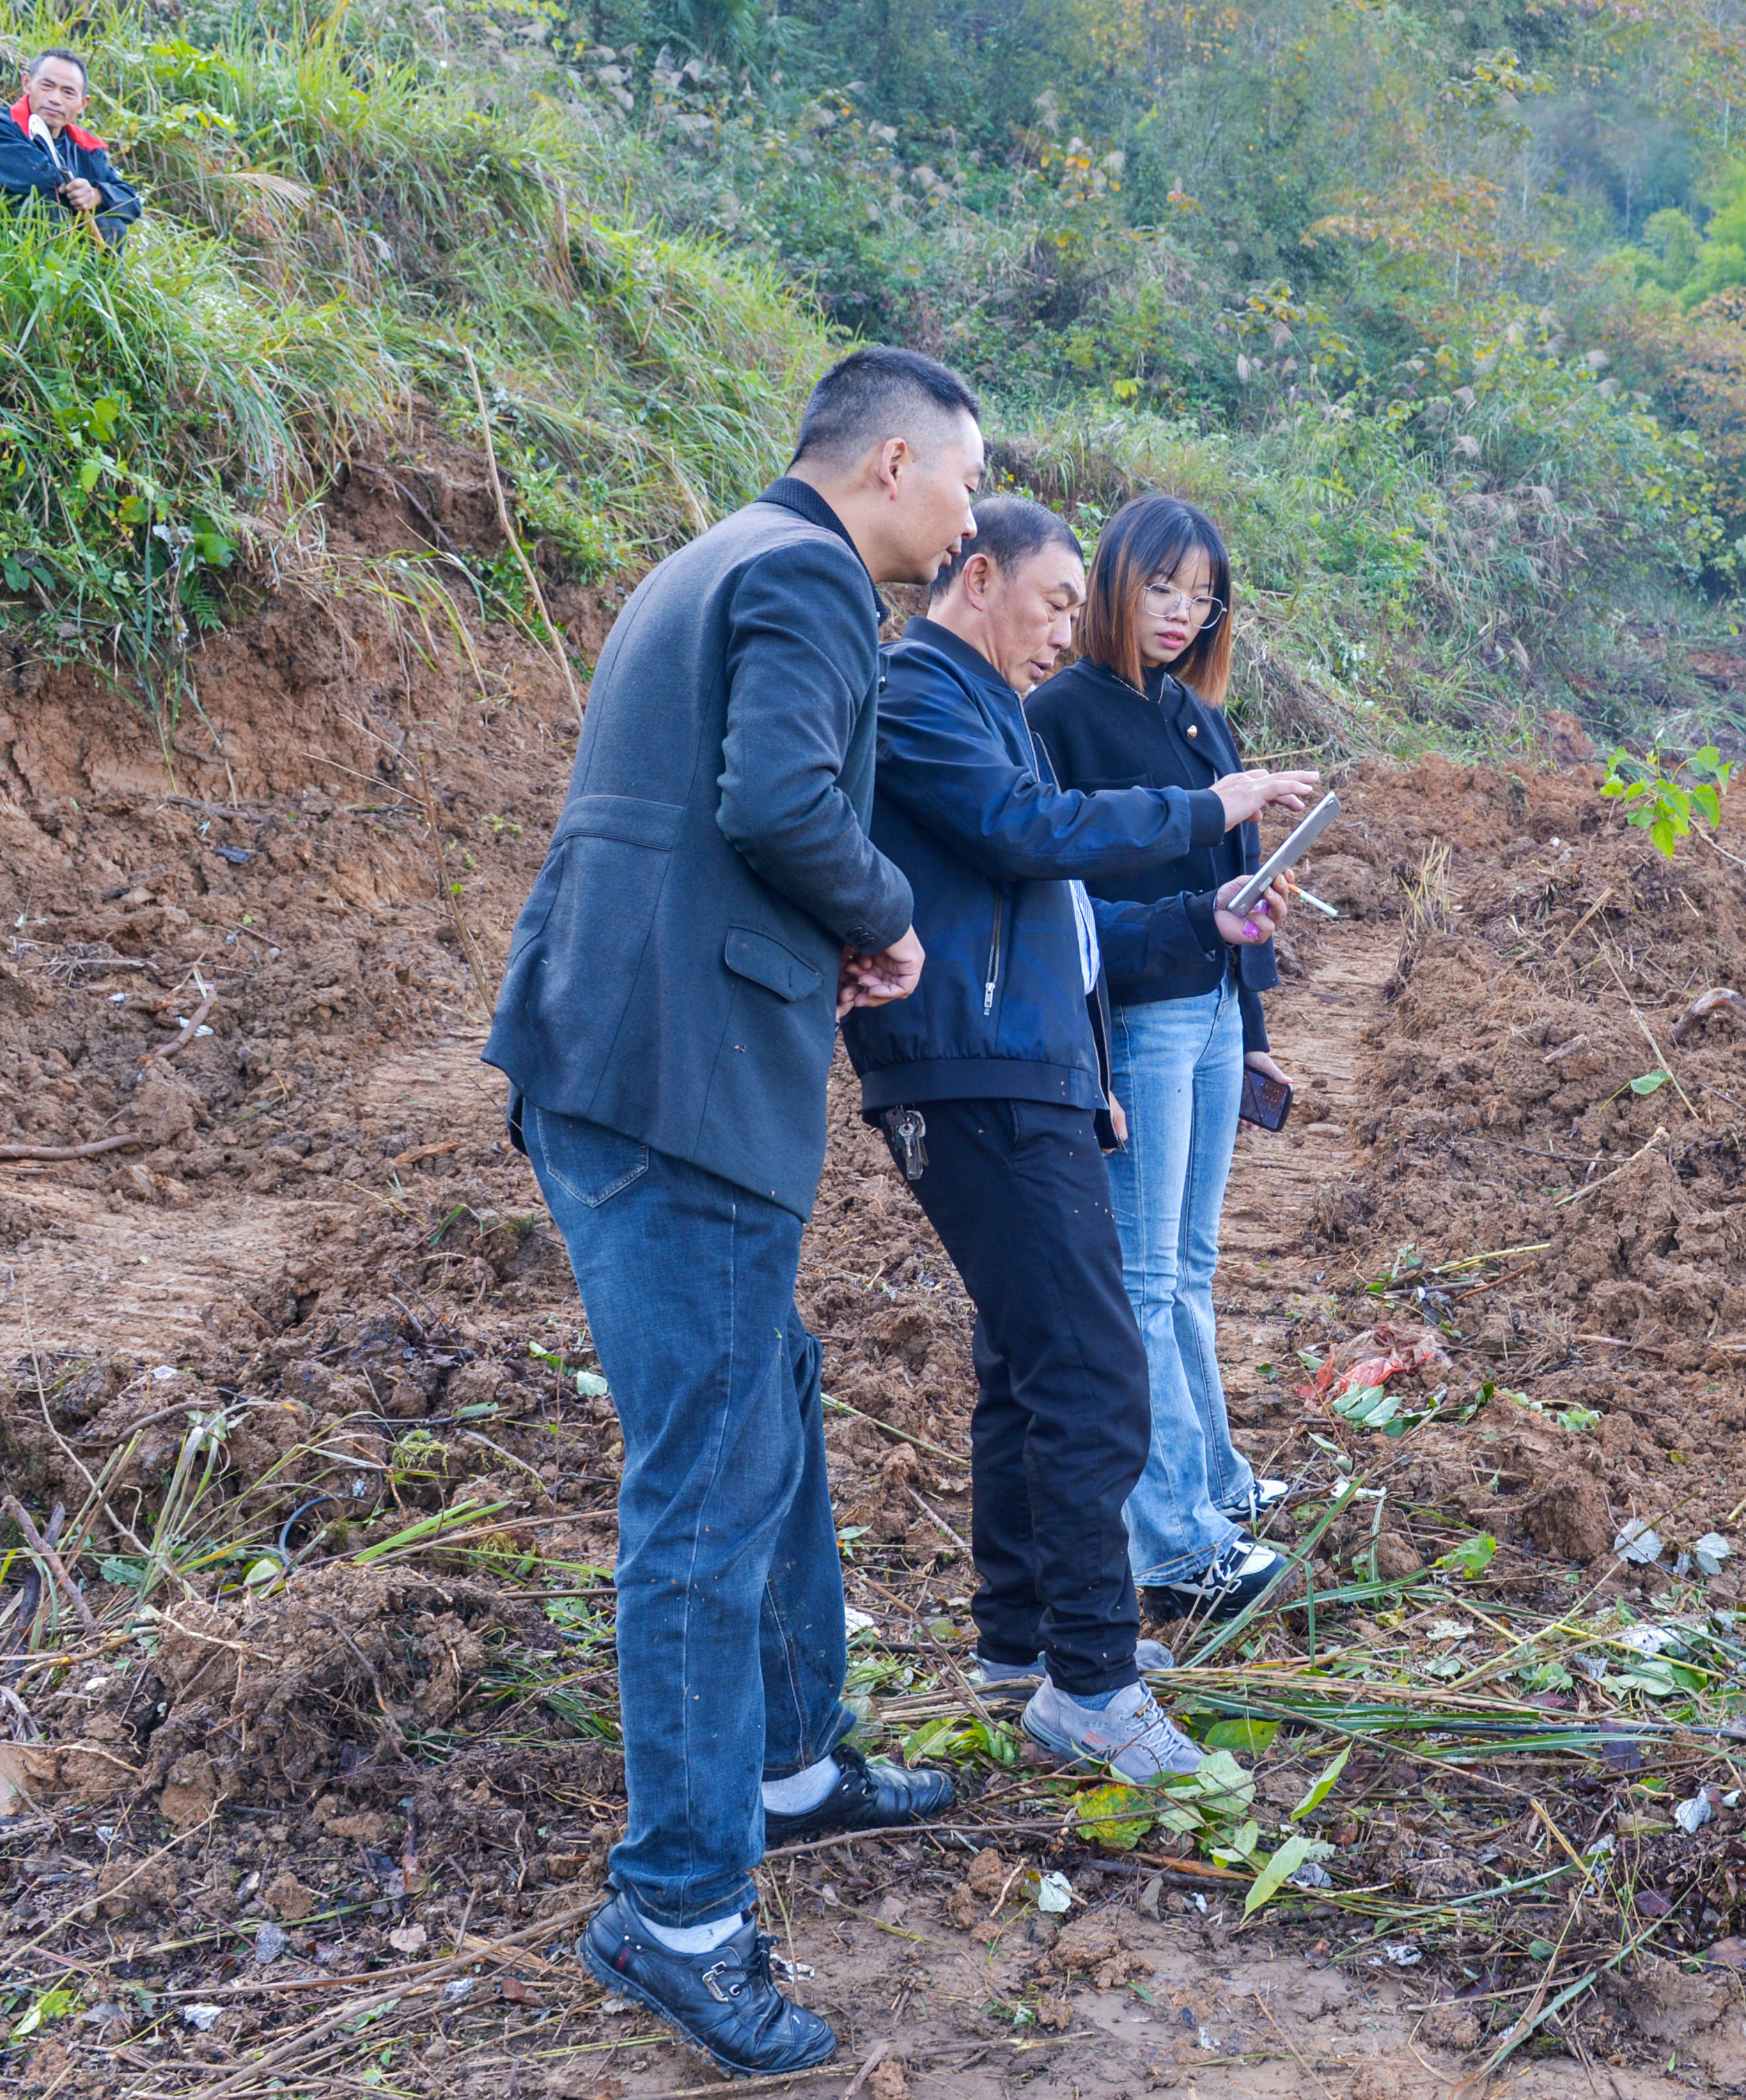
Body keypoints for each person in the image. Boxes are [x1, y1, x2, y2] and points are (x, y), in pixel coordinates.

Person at [482, 347, 978, 2078]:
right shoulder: (809, 573)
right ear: (893, 459)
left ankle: (791, 1757)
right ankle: (679, 1911)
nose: (971, 519)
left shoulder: (701, 559)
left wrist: (804, 929)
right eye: (965, 485)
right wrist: (887, 917)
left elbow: (701, 818)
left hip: (613, 1042)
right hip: (675, 1077)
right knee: (701, 1476)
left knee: (768, 1389)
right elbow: (776, 802)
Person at [841, 497, 1315, 1782]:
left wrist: (1129, 1007)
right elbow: (1030, 837)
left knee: (1027, 1361)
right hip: (973, 1066)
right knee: (1099, 1367)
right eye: (1055, 603)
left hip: (1027, 1061)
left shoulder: (981, 700)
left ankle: (1026, 1648)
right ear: (979, 577)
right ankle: (1094, 1686)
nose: (1064, 631)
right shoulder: (921, 691)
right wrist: (1207, 806)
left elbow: (1061, 918)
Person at [1029, 494, 1299, 1620]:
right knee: (1145, 1278)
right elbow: (1068, 901)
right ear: (1112, 585)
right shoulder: (1062, 714)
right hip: (1141, 1017)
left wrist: (1261, 1036)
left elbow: (1233, 890)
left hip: (1213, 1011)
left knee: (1188, 1266)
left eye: (1204, 596)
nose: (1184, 613)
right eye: (1163, 588)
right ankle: (1172, 1542)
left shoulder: (1198, 717)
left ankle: (1215, 1488)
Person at [0, 52, 141, 245]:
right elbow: (44, 183)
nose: (55, 99)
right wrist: (78, 192)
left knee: (112, 222)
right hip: (4, 248)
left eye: (68, 92)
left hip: (74, 264)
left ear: (82, 104)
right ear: (27, 83)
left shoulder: (86, 148)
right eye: (47, 86)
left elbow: (131, 204)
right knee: (45, 208)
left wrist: (96, 195)